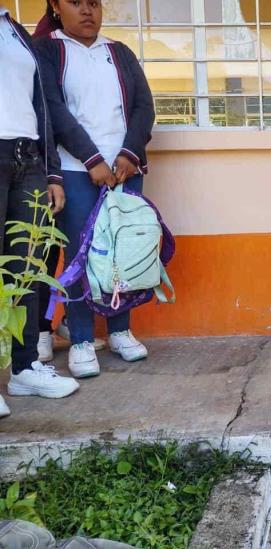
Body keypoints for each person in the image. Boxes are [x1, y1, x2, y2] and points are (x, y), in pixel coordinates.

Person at [35, 0, 155, 379]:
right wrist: (92, 160)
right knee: (80, 257)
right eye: (76, 3)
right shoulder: (47, 50)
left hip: (124, 169)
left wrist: (128, 155)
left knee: (123, 249)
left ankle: (120, 331)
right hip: (75, 171)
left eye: (94, 3)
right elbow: (53, 110)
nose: (87, 11)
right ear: (56, 6)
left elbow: (143, 107)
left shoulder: (119, 53)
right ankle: (83, 339)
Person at [0, 3, 79, 418]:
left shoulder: (14, 31)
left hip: (25, 156)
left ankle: (26, 366)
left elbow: (40, 105)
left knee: (26, 266)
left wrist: (52, 172)